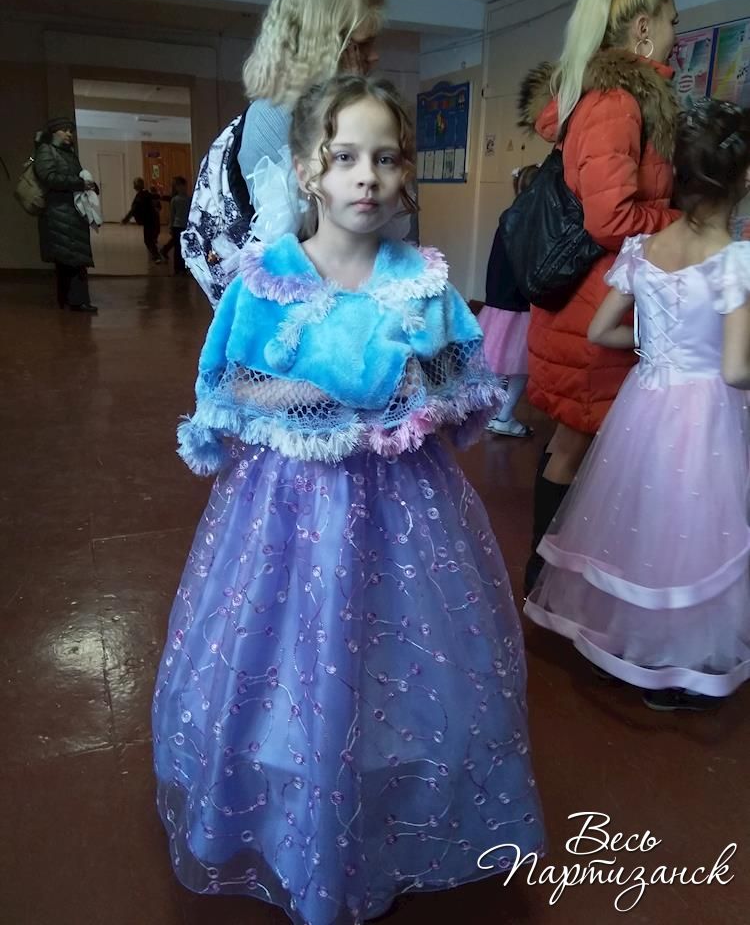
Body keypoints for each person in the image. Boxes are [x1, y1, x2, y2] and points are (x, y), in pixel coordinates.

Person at [152, 75, 545, 924]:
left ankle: (384, 812)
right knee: (286, 655)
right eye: (344, 157)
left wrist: (417, 391)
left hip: (404, 512)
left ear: (405, 175)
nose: (366, 175)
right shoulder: (267, 281)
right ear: (307, 171)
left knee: (396, 660)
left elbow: (462, 391)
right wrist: (313, 398)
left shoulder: (422, 285)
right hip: (285, 513)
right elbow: (229, 384)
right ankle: (293, 820)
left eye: (386, 158)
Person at [524, 99, 750, 712]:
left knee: (637, 520)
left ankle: (620, 645)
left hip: (645, 398)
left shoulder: (644, 248)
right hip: (704, 410)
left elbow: (601, 330)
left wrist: (656, 347)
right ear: (740, 182)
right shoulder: (734, 260)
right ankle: (676, 663)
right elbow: (736, 368)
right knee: (691, 530)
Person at [518, 0, 681, 591]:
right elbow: (612, 219)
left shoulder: (608, 98)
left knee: (574, 442)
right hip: (594, 303)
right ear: (642, 29)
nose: (675, 33)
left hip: (588, 299)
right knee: (578, 445)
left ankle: (551, 575)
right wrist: (686, 225)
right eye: (671, 21)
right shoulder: (617, 102)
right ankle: (548, 579)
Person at [181, 0, 396, 307]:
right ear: (322, 46)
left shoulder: (318, 111)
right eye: (362, 44)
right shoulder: (277, 120)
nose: (375, 55)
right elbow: (312, 247)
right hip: (291, 304)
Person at [480, 164, 540, 437]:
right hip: (518, 304)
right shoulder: (533, 222)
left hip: (498, 300)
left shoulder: (508, 217)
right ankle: (503, 416)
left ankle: (488, 413)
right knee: (519, 367)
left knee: (498, 361)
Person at [34, 117, 98, 313]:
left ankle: (71, 300)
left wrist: (88, 185)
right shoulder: (46, 151)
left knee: (71, 260)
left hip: (70, 212)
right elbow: (49, 177)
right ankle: (77, 301)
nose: (69, 134)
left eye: (70, 130)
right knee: (70, 260)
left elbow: (72, 177)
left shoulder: (68, 153)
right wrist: (79, 184)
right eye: (64, 130)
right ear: (54, 133)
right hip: (58, 213)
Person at [122, 177, 161, 261]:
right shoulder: (146, 193)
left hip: (149, 220)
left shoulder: (140, 196)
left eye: (134, 184)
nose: (133, 186)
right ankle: (156, 255)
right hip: (153, 219)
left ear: (136, 186)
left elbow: (134, 209)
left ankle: (157, 256)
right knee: (150, 239)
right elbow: (156, 196)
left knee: (148, 240)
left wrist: (126, 219)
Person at [159, 176, 190, 273]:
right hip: (177, 226)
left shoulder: (189, 199)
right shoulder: (175, 200)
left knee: (184, 247)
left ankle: (184, 267)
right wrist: (171, 226)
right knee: (177, 248)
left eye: (183, 186)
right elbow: (172, 214)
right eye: (179, 186)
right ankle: (177, 268)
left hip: (186, 226)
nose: (182, 188)